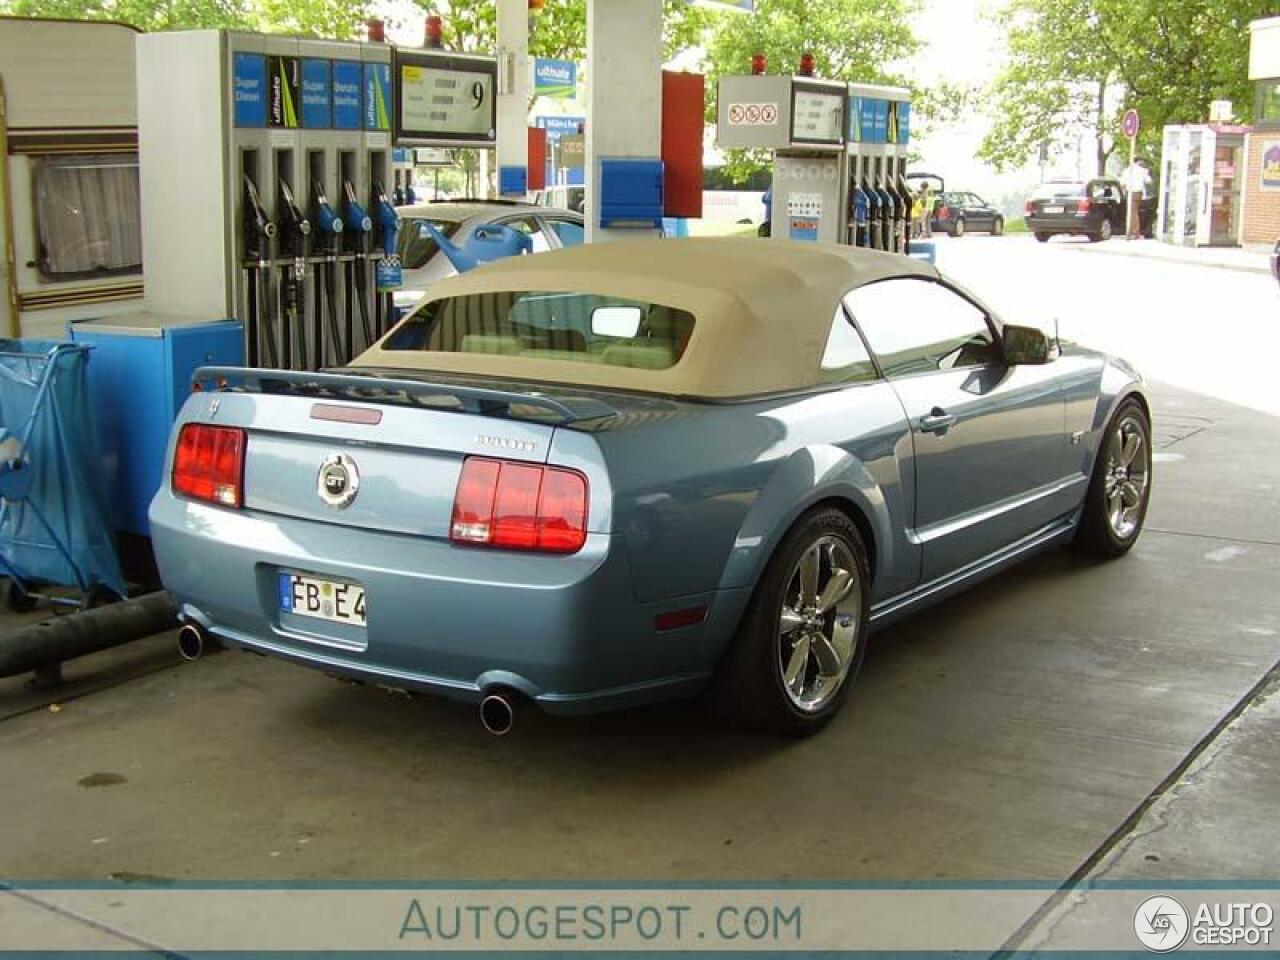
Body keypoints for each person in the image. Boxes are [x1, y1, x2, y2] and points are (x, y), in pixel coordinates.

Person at [1122, 160, 1150, 239]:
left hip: (1131, 192)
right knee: (1134, 212)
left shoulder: (1128, 170)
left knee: (1132, 213)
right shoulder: (1142, 170)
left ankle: (1134, 232)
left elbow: (1123, 183)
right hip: (1139, 193)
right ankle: (1132, 231)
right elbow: (1149, 181)